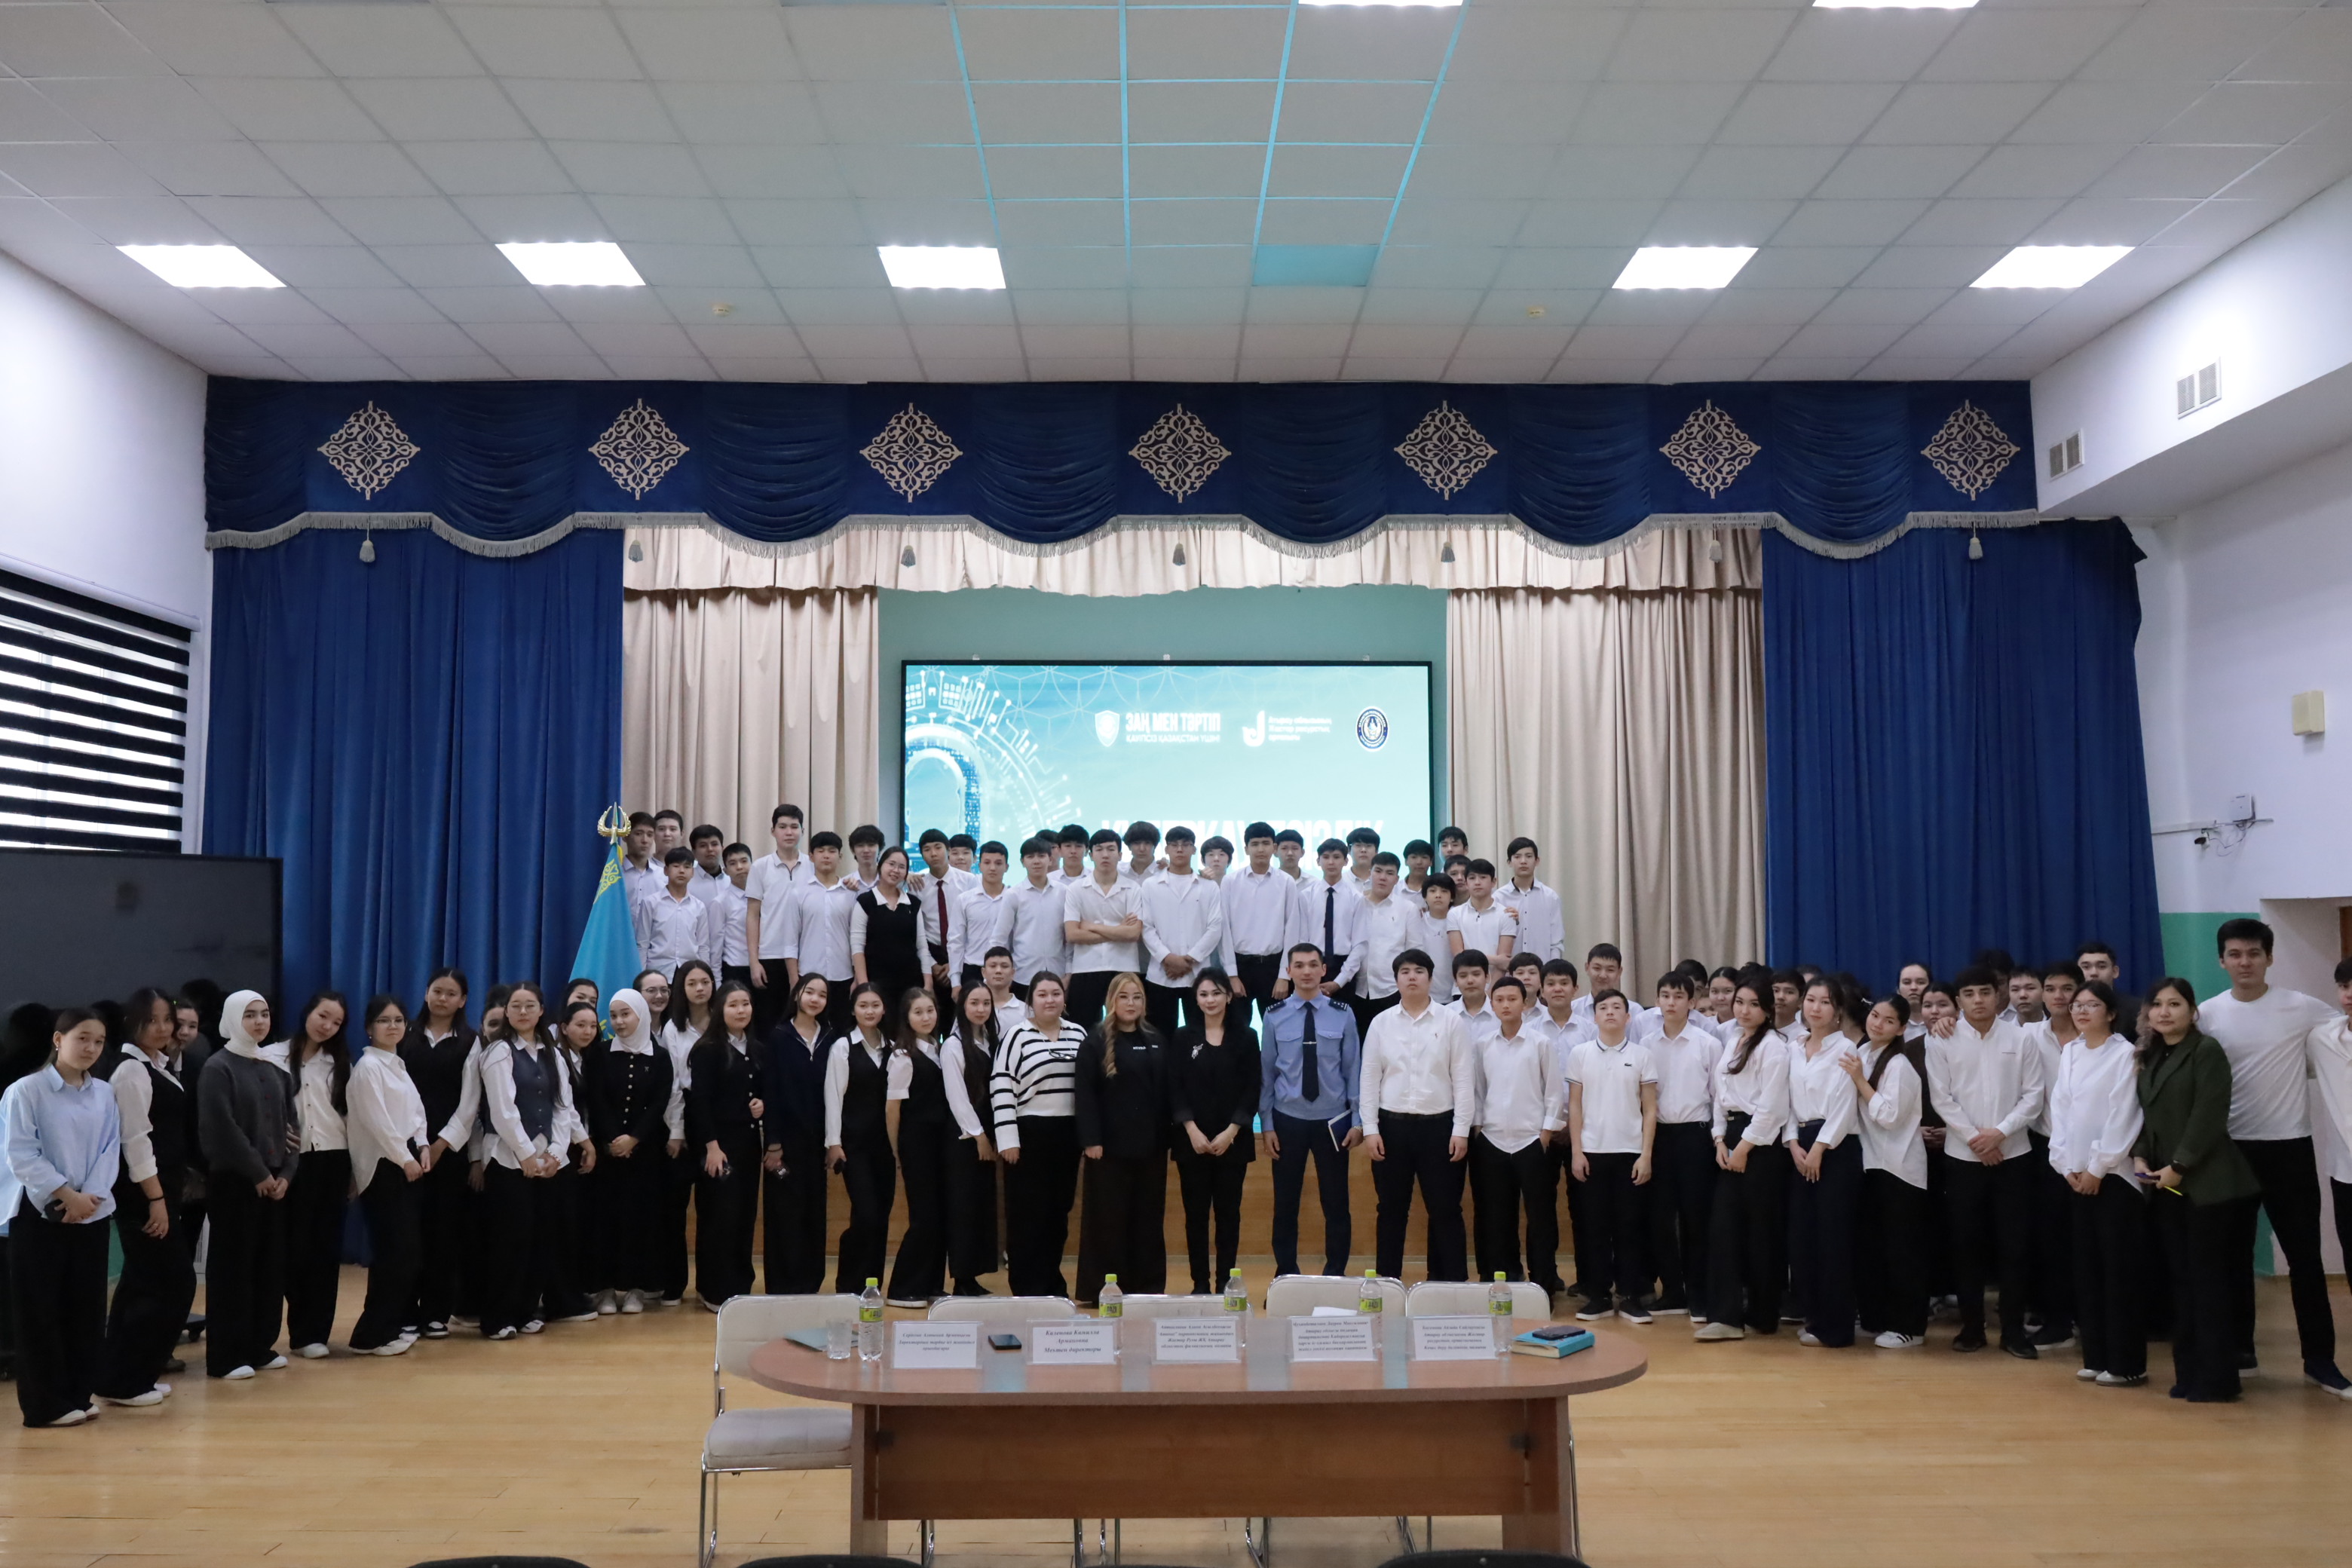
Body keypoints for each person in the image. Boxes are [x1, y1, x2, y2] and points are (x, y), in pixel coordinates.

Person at [2196, 917, 2348, 1392]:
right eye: (2235, 954)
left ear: (2270, 958)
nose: (2245, 962)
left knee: (2305, 1259)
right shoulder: (2207, 1015)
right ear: (2221, 961)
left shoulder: (2304, 1008)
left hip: (2290, 1148)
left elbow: (2338, 1044)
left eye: (2254, 954)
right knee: (2234, 1256)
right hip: (2230, 1150)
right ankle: (2241, 1350)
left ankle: (2319, 1359)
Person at [2136, 975, 2259, 1403]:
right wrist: (2141, 1156)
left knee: (2209, 1283)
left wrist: (2179, 1166)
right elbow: (2148, 1117)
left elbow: (2209, 1114)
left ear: (2193, 1012)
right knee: (2182, 1281)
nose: (2164, 1012)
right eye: (2158, 1004)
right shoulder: (2152, 1055)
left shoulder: (2206, 1051)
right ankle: (2189, 1372)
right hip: (2167, 1186)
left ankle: (2220, 1379)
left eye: (2175, 1004)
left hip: (2210, 1185)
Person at [4, 1008, 120, 1427]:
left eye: (99, 1041)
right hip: (39, 1214)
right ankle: (45, 1405)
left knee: (86, 1309)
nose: (91, 1048)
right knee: (41, 1311)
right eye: (82, 1038)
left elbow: (110, 1149)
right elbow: (20, 1154)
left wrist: (90, 1198)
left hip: (91, 1211)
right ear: (58, 1040)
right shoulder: (26, 1090)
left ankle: (77, 1395)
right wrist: (66, 1195)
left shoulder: (104, 1093)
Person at [1926, 965, 2046, 1358]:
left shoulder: (2021, 1038)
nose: (1978, 1000)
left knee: (2016, 1246)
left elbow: (2034, 1095)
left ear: (1998, 995)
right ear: (1958, 1000)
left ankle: (2012, 1331)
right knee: (1966, 1245)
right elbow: (1942, 1098)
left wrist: (2000, 1133)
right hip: (1963, 1158)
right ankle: (1972, 1327)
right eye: (1969, 994)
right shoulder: (1941, 1039)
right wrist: (1977, 1140)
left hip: (2014, 1156)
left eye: (1985, 992)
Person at [94, 989, 196, 1408]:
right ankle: (129, 1379)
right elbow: (135, 1140)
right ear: (131, 1022)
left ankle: (122, 1376)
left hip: (159, 1189)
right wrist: (156, 1198)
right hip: (143, 1194)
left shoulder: (156, 1065)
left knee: (141, 1282)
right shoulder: (131, 1070)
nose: (162, 1028)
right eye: (152, 1020)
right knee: (171, 1283)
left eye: (167, 1019)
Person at [479, 983, 594, 1340]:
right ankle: (497, 1318)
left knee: (539, 1238)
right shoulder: (499, 1052)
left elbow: (563, 1107)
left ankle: (525, 1310)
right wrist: (526, 1154)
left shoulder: (552, 1053)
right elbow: (503, 1110)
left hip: (547, 1161)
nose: (523, 1012)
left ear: (542, 1010)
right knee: (510, 1240)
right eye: (516, 1006)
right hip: (508, 1159)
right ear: (507, 1012)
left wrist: (557, 1154)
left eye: (530, 1005)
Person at [2050, 981, 2146, 1387]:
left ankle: (2127, 1363)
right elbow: (2060, 1110)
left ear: (2111, 1013)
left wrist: (2097, 1167)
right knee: (2087, 1269)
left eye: (2091, 1005)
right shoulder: (2071, 1052)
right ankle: (2096, 1355)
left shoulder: (2125, 1054)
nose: (2081, 1011)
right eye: (2077, 1005)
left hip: (2114, 1176)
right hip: (2075, 1175)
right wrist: (2065, 1164)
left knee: (2118, 1271)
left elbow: (2124, 1116)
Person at [1358, 948, 1474, 1283]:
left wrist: (1461, 1129)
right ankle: (1388, 1284)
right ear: (1396, 979)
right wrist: (1370, 1128)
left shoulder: (1451, 1021)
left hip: (1440, 1128)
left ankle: (1452, 1285)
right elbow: (1370, 1078)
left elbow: (1463, 1078)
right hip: (1391, 1128)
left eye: (1419, 971)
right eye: (1405, 971)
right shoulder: (1381, 1023)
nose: (1412, 977)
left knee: (1446, 1209)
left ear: (1431, 978)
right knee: (1391, 1210)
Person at [198, 991, 292, 1378]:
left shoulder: (274, 1068)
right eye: (250, 1015)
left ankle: (259, 1345)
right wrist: (259, 1173)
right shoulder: (217, 1068)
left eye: (264, 1014)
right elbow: (223, 1128)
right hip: (236, 1182)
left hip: (274, 1183)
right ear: (233, 1019)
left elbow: (292, 1129)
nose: (259, 1022)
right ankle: (227, 1355)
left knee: (268, 1267)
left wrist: (286, 1175)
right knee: (233, 1269)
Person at [1260, 944, 1361, 1277]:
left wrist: (1357, 1120)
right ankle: (1286, 1274)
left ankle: (1336, 1275)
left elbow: (1353, 1070)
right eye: (1299, 965)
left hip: (1333, 1122)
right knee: (1285, 1204)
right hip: (1288, 1120)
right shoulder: (1274, 1015)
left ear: (1323, 971)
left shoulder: (1343, 1013)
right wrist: (1267, 1124)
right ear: (1288, 971)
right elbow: (1267, 1074)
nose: (1306, 971)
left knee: (1337, 1203)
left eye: (1313, 965)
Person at [1695, 982, 1790, 1341]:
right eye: (1739, 1002)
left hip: (1761, 1145)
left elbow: (1772, 1107)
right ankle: (1726, 1316)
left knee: (1761, 1233)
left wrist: (1744, 1148)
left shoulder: (1773, 1047)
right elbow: (1720, 1096)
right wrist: (1720, 1139)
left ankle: (1763, 1314)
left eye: (1753, 1004)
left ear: (1767, 1010)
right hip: (1731, 1138)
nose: (1744, 1010)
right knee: (1724, 1231)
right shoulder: (1733, 1039)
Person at [1072, 973, 1173, 1302]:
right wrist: (1091, 1140)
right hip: (1108, 1150)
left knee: (1148, 1219)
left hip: (1151, 1149)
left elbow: (1165, 1093)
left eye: (1137, 997)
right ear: (1112, 1001)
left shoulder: (1156, 1039)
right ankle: (1102, 1289)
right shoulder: (1095, 1042)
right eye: (1124, 997)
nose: (1131, 1003)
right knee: (1108, 1220)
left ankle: (1147, 1287)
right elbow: (1085, 1095)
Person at [993, 972, 1089, 1296]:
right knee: (1027, 1214)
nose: (1050, 1000)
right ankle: (1026, 1287)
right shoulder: (1016, 1036)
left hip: (1067, 1135)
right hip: (1028, 1134)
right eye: (1043, 994)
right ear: (1031, 1001)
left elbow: (1088, 1088)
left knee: (1058, 1213)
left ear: (1064, 998)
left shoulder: (1078, 1034)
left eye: (1056, 993)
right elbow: (1002, 1086)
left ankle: (1051, 1283)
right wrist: (1008, 1140)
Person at [1565, 991, 1658, 1323]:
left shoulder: (1642, 1055)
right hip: (1592, 1152)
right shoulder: (1580, 1054)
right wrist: (1577, 1151)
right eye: (1602, 1008)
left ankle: (1631, 1296)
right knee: (1595, 1227)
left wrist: (1646, 1155)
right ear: (1594, 1017)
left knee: (1630, 1227)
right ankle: (1600, 1296)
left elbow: (1650, 1109)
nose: (1609, 1012)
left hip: (1630, 1153)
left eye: (1617, 1007)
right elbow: (1574, 1105)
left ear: (1628, 1017)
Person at [1468, 974, 1564, 1294]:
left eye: (1512, 999)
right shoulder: (1483, 1045)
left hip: (1533, 1141)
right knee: (1497, 1217)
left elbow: (1553, 1091)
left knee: (1540, 1217)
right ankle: (1504, 1280)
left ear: (1525, 1003)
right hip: (1493, 1141)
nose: (1506, 1005)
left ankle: (1542, 1284)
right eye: (1499, 1000)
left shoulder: (1540, 1043)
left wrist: (1546, 1132)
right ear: (1492, 1004)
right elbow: (1478, 1091)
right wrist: (1479, 1128)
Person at [345, 995, 428, 1356]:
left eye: (398, 1020)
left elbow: (416, 1113)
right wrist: (404, 1158)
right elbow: (377, 1122)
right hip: (383, 1166)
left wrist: (423, 1145)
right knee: (394, 1252)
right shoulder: (368, 1068)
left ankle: (390, 1327)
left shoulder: (397, 1065)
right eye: (383, 1020)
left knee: (406, 1253)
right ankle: (370, 1335)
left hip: (405, 1161)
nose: (392, 1026)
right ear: (369, 1028)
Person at [1845, 994, 1928, 1349]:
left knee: (1902, 1251)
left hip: (1899, 1168)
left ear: (1902, 1028)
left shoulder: (1900, 1065)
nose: (1878, 1024)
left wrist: (1861, 1082)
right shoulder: (1862, 1053)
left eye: (1889, 1020)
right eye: (1875, 1015)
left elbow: (1890, 1117)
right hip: (1869, 1163)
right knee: (1871, 1248)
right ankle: (1876, 1317)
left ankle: (1911, 1327)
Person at [1171, 968, 1259, 1296]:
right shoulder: (1183, 1037)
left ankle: (1225, 1282)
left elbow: (1252, 1088)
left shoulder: (1247, 1036)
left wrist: (1232, 1131)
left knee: (1228, 1215)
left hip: (1232, 1141)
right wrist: (1191, 1129)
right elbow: (1175, 1087)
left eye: (1217, 993)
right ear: (1195, 999)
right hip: (1191, 1142)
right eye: (1204, 994)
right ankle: (1200, 1283)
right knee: (1195, 1215)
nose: (1210, 1000)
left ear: (1229, 996)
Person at [1786, 977, 1863, 1349]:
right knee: (1806, 1237)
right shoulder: (1794, 1046)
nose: (1815, 1008)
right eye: (1811, 1000)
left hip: (1835, 1147)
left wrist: (1819, 1148)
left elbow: (1844, 1106)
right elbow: (1785, 1099)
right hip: (1799, 1144)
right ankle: (1815, 1317)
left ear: (1838, 1011)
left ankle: (1838, 1328)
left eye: (1825, 1002)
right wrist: (1791, 1143)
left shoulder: (1846, 1049)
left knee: (1834, 1240)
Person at [584, 988, 672, 1315]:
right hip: (607, 1153)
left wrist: (634, 1138)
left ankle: (636, 1287)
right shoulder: (600, 1053)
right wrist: (613, 1138)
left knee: (640, 1220)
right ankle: (605, 1289)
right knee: (605, 1219)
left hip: (645, 1154)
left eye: (626, 1014)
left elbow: (659, 1103)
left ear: (641, 1015)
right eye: (614, 1016)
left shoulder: (659, 1057)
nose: (619, 1022)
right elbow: (596, 1099)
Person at [1640, 972, 1720, 1319]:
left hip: (1696, 1137)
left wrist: (1717, 1139)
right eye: (1665, 995)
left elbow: (1718, 1097)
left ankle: (1699, 1293)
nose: (1671, 1002)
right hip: (1658, 1137)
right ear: (1658, 1000)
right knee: (1660, 1218)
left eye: (1678, 996)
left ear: (1692, 1002)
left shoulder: (1707, 1043)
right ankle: (1672, 1291)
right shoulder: (1646, 1044)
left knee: (1695, 1218)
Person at [403, 968, 476, 1339]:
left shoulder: (471, 1041)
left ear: (463, 1001)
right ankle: (404, 1310)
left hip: (448, 1151)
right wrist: (413, 1143)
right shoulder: (405, 1034)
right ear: (426, 993)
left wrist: (441, 1144)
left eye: (451, 994)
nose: (442, 999)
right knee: (408, 1232)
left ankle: (436, 1312)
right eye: (437, 991)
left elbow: (470, 1103)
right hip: (404, 1149)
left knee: (443, 1232)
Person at [685, 979, 766, 1311]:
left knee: (744, 1215)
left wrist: (762, 1104)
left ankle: (739, 1286)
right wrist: (711, 1146)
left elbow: (759, 1090)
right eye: (733, 1005)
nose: (741, 1010)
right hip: (718, 1146)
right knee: (719, 1216)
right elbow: (699, 1102)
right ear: (720, 1009)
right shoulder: (708, 1049)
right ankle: (714, 1289)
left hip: (748, 1145)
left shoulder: (757, 1048)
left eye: (745, 1004)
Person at [280, 993, 352, 1360]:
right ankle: (294, 1328)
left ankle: (314, 1333)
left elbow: (350, 1118)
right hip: (291, 1164)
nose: (327, 1026)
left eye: (336, 1022)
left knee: (325, 1250)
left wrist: (356, 1171)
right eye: (323, 1016)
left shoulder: (339, 1063)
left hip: (333, 1160)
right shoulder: (274, 1056)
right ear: (308, 1011)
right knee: (294, 1249)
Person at [762, 974, 837, 1294]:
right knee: (784, 1211)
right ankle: (782, 1284)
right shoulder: (779, 1037)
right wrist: (773, 1143)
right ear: (797, 995)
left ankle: (810, 1283)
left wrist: (833, 1141)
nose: (815, 999)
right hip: (785, 1144)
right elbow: (771, 1092)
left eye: (822, 994)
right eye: (810, 992)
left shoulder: (831, 1038)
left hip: (817, 1142)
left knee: (813, 1211)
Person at [880, 988, 954, 1307]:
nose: (926, 1017)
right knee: (923, 1217)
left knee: (940, 1215)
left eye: (930, 1011)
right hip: (916, 1144)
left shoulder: (939, 1049)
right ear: (907, 1018)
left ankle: (932, 1284)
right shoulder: (902, 1056)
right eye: (918, 1012)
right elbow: (892, 1109)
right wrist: (896, 1151)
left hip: (940, 1144)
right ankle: (902, 1287)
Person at [825, 983, 898, 1296]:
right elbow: (833, 1096)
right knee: (865, 1214)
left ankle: (872, 1285)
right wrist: (834, 1142)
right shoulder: (843, 1047)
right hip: (853, 1146)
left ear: (884, 1009)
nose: (870, 1011)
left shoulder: (894, 1046)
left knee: (881, 1216)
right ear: (853, 1010)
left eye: (875, 1005)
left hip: (885, 1146)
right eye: (863, 1005)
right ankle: (848, 1284)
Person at [657, 962, 714, 1307]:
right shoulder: (672, 1029)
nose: (700, 988)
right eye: (692, 983)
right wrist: (677, 1130)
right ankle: (673, 1283)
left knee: (713, 1208)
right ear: (682, 989)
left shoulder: (723, 1021)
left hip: (717, 1120)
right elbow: (674, 1083)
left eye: (705, 981)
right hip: (681, 1115)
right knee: (674, 1208)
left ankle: (710, 1285)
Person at [941, 983, 1003, 1297]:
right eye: (974, 1003)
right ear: (963, 1006)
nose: (980, 1009)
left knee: (981, 1206)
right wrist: (978, 1135)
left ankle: (973, 1276)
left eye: (986, 1003)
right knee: (963, 1207)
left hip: (988, 1133)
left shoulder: (992, 1041)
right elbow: (957, 1097)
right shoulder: (952, 1046)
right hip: (964, 1138)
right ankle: (961, 1279)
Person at [1138, 827, 1223, 1039]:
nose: (1180, 849)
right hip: (1161, 974)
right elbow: (1147, 927)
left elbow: (1215, 927)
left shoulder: (1209, 886)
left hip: (1199, 975)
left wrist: (1189, 960)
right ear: (1166, 849)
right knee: (1159, 1037)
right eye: (1174, 845)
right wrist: (1168, 958)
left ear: (1194, 849)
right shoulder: (1150, 885)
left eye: (1186, 845)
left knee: (1200, 1037)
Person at [1063, 829, 1145, 1028]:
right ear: (1090, 855)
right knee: (1082, 1028)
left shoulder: (1133, 888)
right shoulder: (1076, 889)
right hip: (1085, 968)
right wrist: (1118, 930)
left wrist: (1091, 927)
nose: (1105, 855)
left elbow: (1133, 934)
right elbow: (1072, 934)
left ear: (1120, 855)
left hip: (1124, 968)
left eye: (1111, 849)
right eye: (1099, 850)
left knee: (1126, 1028)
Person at [1221, 823, 1295, 1029]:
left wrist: (1284, 976)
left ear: (1274, 847)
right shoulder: (1230, 881)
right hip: (1240, 966)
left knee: (1279, 1031)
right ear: (1246, 849)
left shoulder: (1286, 882)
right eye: (1254, 844)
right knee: (1237, 1031)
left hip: (1273, 967)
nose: (1260, 849)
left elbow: (1292, 930)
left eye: (1265, 843)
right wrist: (1232, 975)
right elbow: (1224, 930)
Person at [787, 831, 860, 1035]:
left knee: (842, 1033)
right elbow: (791, 940)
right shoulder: (798, 893)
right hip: (808, 976)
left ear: (840, 856)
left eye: (832, 851)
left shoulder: (851, 894)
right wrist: (794, 982)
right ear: (811, 856)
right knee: (810, 1032)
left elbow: (857, 939)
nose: (826, 856)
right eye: (820, 851)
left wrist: (857, 976)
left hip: (844, 976)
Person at [746, 804, 809, 1032]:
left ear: (802, 830)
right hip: (770, 956)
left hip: (805, 956)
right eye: (782, 827)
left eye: (794, 826)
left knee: (803, 1020)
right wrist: (754, 961)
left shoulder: (813, 865)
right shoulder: (760, 867)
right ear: (773, 831)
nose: (789, 832)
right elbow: (753, 915)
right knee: (770, 1025)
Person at [850, 847, 925, 1031]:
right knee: (881, 1030)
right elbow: (857, 947)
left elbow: (922, 946)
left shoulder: (913, 904)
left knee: (908, 1032)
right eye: (891, 864)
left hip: (910, 982)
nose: (895, 870)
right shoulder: (865, 901)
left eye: (902, 867)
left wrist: (928, 983)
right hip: (877, 982)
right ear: (880, 866)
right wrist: (864, 985)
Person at [948, 841, 1015, 994]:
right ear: (979, 866)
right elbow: (956, 942)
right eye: (987, 862)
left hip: (1005, 971)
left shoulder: (1015, 898)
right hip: (972, 970)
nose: (992, 868)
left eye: (998, 863)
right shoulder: (964, 900)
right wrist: (955, 982)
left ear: (1007, 867)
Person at [1005, 838, 1069, 1000]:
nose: (1036, 861)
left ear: (1050, 859)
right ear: (1022, 862)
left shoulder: (1064, 892)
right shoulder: (1013, 895)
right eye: (1030, 857)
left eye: (1041, 856)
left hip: (1059, 973)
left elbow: (1069, 937)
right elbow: (1001, 938)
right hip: (1022, 974)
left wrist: (1069, 972)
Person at [1501, 838, 1565, 963]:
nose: (1523, 861)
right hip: (1509, 971)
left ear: (1537, 861)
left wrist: (1552, 969)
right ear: (1509, 862)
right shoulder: (1499, 897)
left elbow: (1556, 942)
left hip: (1543, 969)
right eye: (1517, 857)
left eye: (1529, 856)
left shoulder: (1550, 897)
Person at [1448, 859, 1517, 965]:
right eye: (1472, 878)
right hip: (1465, 974)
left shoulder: (1506, 915)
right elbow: (1458, 955)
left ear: (1494, 882)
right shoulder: (1455, 914)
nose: (1477, 882)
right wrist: (1495, 960)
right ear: (1466, 883)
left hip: (1496, 975)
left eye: (1483, 877)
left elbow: (1504, 962)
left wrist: (1496, 974)